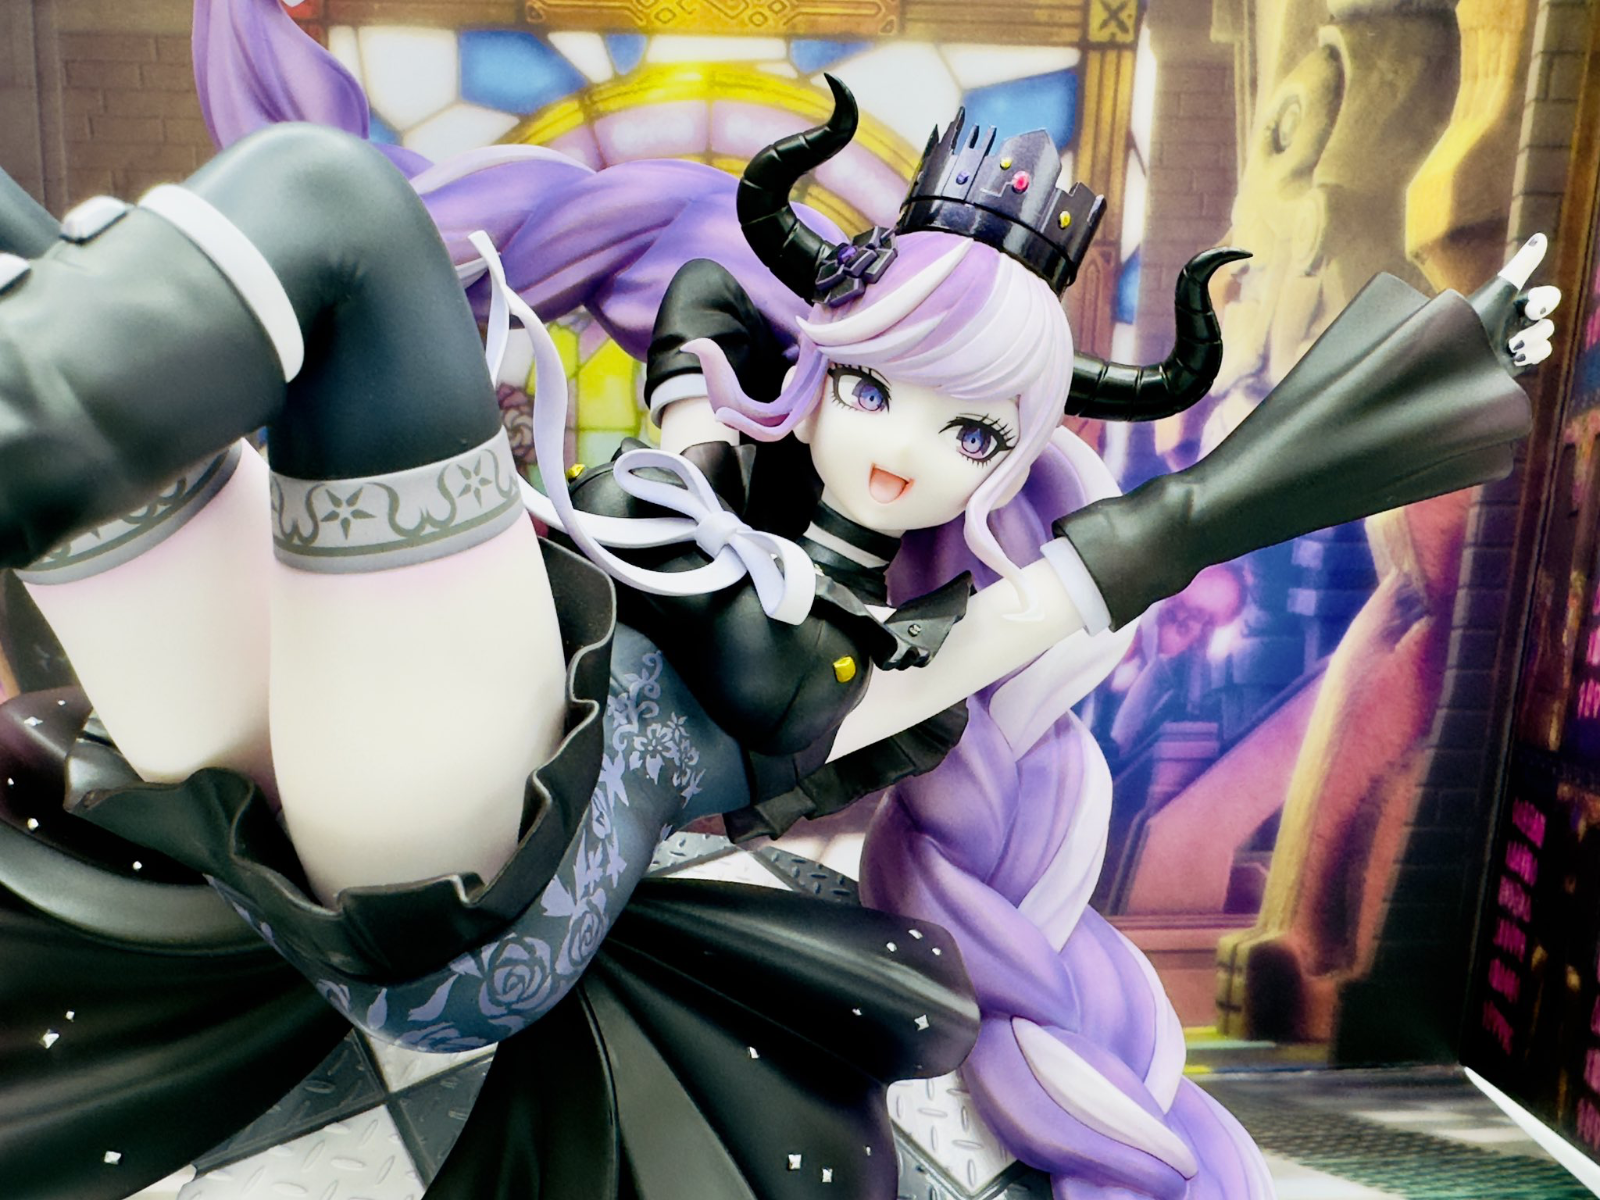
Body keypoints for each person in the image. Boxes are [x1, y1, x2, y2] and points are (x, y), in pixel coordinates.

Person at [0, 3, 1562, 1196]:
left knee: (335, 206)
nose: (902, 452)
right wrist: (746, 364)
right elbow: (699, 312)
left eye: (972, 436)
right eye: (873, 385)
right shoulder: (717, 458)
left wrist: (1432, 375)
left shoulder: (915, 651)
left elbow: (1171, 526)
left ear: (1010, 464)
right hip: (321, 804)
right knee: (34, 257)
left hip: (483, 882)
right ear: (821, 372)